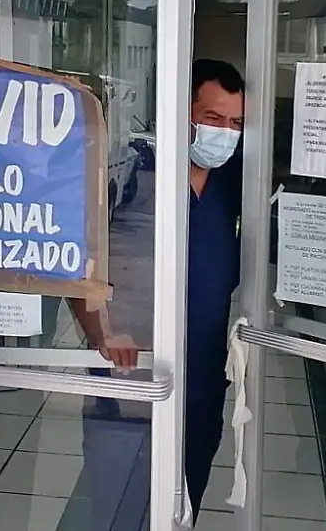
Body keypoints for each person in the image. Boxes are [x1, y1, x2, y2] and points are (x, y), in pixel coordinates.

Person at [75, 58, 245, 521]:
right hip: (131, 374)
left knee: (183, 505)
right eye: (213, 119)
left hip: (202, 383)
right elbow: (77, 261)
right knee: (120, 504)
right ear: (180, 112)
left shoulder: (237, 181)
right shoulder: (132, 176)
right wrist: (99, 333)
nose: (226, 133)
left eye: (235, 123)